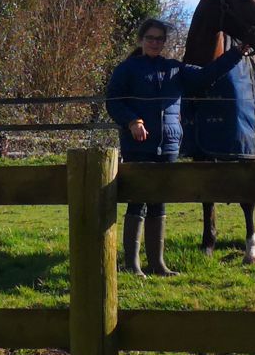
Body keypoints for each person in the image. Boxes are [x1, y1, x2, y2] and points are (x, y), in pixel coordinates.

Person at [105, 19, 246, 276]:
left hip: (168, 147)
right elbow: (113, 102)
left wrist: (236, 54)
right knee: (138, 203)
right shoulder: (126, 69)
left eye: (159, 39)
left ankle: (158, 264)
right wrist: (132, 121)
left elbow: (207, 75)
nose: (155, 42)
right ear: (141, 40)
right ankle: (132, 265)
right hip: (138, 146)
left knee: (159, 203)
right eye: (150, 38)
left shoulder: (175, 70)